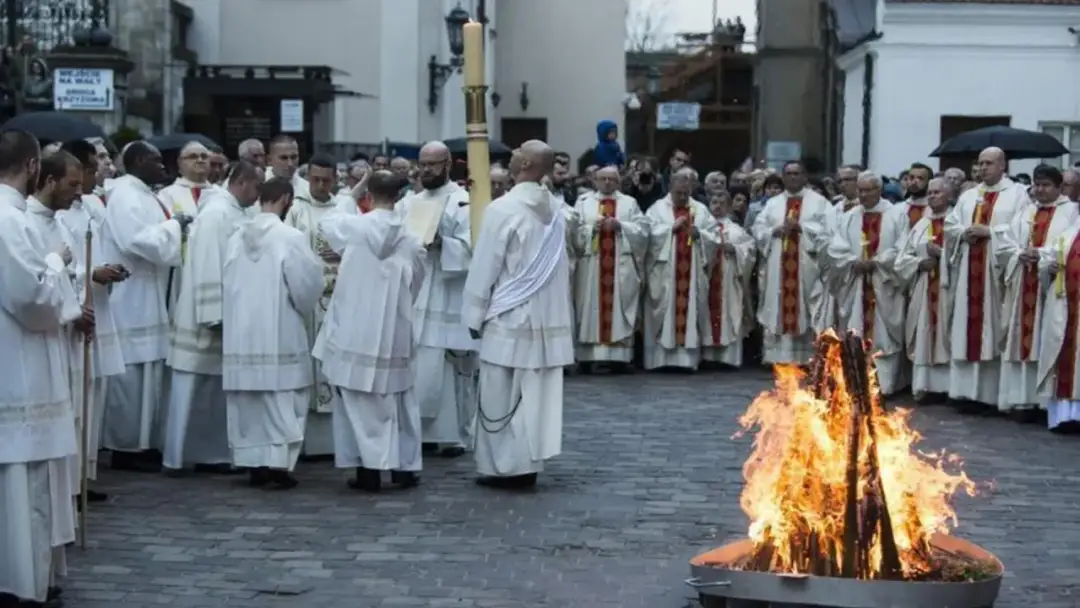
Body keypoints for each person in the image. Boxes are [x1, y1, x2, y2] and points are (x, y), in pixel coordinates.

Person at [0, 129, 85, 607]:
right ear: (33, 167)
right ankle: (20, 584)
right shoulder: (10, 220)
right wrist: (56, 261)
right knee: (22, 486)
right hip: (19, 373)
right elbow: (33, 300)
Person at [462, 140, 573, 489]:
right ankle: (527, 464)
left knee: (499, 393)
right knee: (532, 397)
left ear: (525, 164)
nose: (511, 154)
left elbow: (485, 265)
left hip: (509, 315)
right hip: (546, 318)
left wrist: (473, 314)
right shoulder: (556, 209)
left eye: (517, 151)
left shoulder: (502, 209)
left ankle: (505, 468)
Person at [314, 170, 426, 491]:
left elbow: (327, 223)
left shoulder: (356, 227)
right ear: (399, 197)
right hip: (394, 330)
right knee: (399, 399)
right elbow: (417, 284)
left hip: (355, 327)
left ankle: (368, 470)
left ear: (368, 196)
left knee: (357, 399)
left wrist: (352, 192)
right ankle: (404, 468)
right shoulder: (412, 239)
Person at [221, 177, 323, 489]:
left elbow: (227, 282)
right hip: (279, 329)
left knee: (249, 401)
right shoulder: (290, 237)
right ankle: (278, 463)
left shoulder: (236, 237)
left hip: (242, 332)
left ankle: (254, 463)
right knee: (283, 398)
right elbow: (306, 286)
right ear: (287, 200)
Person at [162, 160, 263, 474]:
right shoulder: (217, 214)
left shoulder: (236, 211)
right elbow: (208, 263)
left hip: (229, 313)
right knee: (192, 388)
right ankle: (178, 456)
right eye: (257, 186)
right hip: (206, 314)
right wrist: (214, 313)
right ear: (242, 182)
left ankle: (214, 455)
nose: (259, 194)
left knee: (217, 392)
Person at [100, 141, 189, 472]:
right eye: (156, 160)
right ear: (138, 161)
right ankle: (124, 447)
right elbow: (136, 241)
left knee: (148, 375)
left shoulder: (144, 193)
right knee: (130, 378)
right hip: (130, 296)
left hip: (147, 293)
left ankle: (143, 442)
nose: (163, 166)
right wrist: (174, 225)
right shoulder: (125, 195)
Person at [57, 139, 127, 500]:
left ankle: (85, 477)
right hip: (74, 314)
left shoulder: (91, 206)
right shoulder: (56, 214)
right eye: (87, 168)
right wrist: (91, 273)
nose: (92, 174)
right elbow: (58, 266)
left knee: (92, 399)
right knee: (74, 401)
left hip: (97, 308)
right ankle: (69, 483)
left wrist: (109, 269)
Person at [397, 141, 477, 458]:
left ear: (448, 165)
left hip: (447, 293)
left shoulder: (463, 202)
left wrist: (444, 243)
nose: (427, 170)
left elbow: (474, 248)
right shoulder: (409, 203)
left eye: (433, 164)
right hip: (417, 292)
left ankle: (450, 435)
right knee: (416, 363)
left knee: (447, 366)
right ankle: (416, 432)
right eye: (423, 164)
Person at [944, 147, 1030, 411]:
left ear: (1003, 165)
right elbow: (950, 225)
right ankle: (963, 394)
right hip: (968, 273)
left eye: (989, 163)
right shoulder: (969, 195)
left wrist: (990, 232)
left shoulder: (1018, 194)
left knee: (993, 330)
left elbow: (1023, 229)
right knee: (966, 329)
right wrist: (963, 233)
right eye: (980, 163)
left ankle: (990, 396)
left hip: (996, 275)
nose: (983, 168)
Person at [995, 164, 1078, 420]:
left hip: (1053, 288)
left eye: (1046, 185)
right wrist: (1019, 254)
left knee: (1048, 342)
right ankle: (1022, 400)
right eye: (1037, 185)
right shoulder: (1026, 211)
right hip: (1023, 284)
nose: (1040, 190)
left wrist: (1041, 256)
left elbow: (1070, 246)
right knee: (1021, 342)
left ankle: (1045, 404)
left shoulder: (1071, 212)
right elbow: (1005, 245)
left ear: (1059, 187)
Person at [284, 154, 349, 456]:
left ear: (335, 179)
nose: (321, 185)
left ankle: (333, 442)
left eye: (326, 180)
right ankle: (305, 440)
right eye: (315, 179)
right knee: (307, 364)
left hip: (338, 298)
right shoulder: (296, 209)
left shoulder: (344, 208)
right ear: (307, 177)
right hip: (306, 301)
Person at [823, 171, 909, 395]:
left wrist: (878, 262)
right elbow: (836, 247)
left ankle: (885, 385)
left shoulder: (896, 215)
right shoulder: (849, 217)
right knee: (856, 332)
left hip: (884, 284)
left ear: (879, 190)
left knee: (883, 336)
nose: (863, 195)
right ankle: (857, 383)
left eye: (868, 190)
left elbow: (903, 247)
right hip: (856, 284)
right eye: (860, 190)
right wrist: (853, 261)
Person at [642, 168, 723, 370]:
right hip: (665, 272)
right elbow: (646, 234)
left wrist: (700, 235)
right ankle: (659, 360)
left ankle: (688, 361)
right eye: (679, 193)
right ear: (670, 187)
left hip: (692, 272)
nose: (683, 197)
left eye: (686, 193)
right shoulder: (657, 209)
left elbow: (714, 236)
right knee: (664, 312)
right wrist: (669, 229)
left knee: (691, 311)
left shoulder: (701, 210)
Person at [751, 160, 831, 365]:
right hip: (778, 266)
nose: (793, 177)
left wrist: (802, 228)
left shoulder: (819, 202)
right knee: (778, 307)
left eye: (797, 173)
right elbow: (758, 229)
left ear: (805, 176)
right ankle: (778, 357)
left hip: (806, 267)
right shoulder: (773, 203)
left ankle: (808, 357)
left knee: (807, 307)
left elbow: (830, 231)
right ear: (783, 177)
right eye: (788, 173)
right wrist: (774, 231)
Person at [572, 166, 648, 371]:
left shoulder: (629, 203)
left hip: (620, 264)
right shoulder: (583, 202)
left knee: (619, 307)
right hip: (592, 265)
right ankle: (588, 356)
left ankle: (619, 357)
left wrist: (621, 226)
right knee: (589, 307)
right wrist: (591, 229)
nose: (607, 183)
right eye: (603, 179)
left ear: (618, 182)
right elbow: (574, 231)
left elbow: (642, 231)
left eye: (611, 179)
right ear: (595, 181)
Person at [895, 178, 955, 400]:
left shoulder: (956, 222)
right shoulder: (921, 225)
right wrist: (920, 263)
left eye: (937, 192)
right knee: (924, 334)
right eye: (930, 192)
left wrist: (941, 255)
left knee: (947, 334)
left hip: (948, 290)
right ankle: (924, 386)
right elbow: (902, 259)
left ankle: (949, 388)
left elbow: (966, 258)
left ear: (949, 195)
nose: (932, 196)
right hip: (923, 288)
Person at [701, 190, 756, 367]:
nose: (717, 206)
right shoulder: (703, 228)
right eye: (714, 202)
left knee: (730, 314)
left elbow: (750, 250)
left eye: (722, 203)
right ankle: (707, 356)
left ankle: (728, 358)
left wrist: (736, 250)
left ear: (729, 206)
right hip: (709, 280)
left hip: (729, 280)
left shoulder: (737, 230)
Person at [158, 141, 213, 217]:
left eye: (204, 157)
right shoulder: (167, 194)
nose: (200, 160)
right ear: (180, 163)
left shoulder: (221, 194)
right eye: (193, 157)